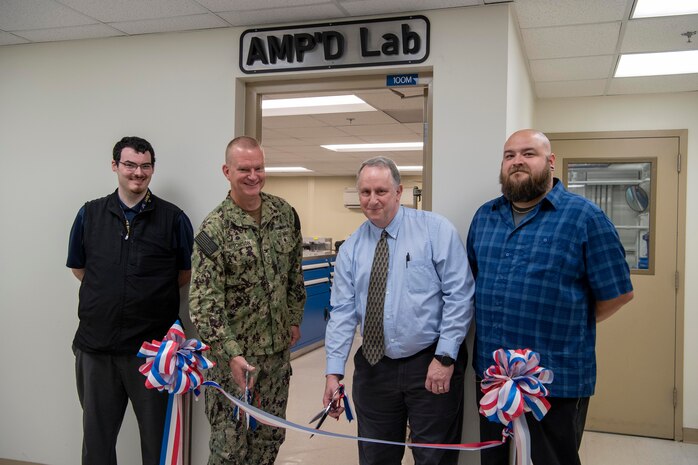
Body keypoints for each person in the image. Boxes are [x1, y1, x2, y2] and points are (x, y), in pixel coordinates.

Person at [466, 129, 634, 465]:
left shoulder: (584, 218)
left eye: (528, 153)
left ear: (551, 162)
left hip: (555, 379)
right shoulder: (485, 218)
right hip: (493, 377)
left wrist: (574, 322)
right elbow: (474, 282)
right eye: (510, 155)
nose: (517, 162)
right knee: (494, 459)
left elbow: (618, 293)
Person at [323, 156, 475, 465]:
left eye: (381, 191)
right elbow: (341, 313)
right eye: (365, 192)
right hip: (375, 367)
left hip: (430, 364)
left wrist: (445, 357)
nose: (372, 200)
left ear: (399, 191)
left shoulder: (435, 231)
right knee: (376, 456)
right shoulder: (351, 248)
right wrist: (333, 373)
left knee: (434, 458)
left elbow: (459, 295)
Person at [67, 136, 194, 465]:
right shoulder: (89, 214)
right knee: (97, 443)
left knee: (157, 445)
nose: (138, 172)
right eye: (130, 165)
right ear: (115, 166)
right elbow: (80, 269)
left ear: (152, 169)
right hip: (97, 350)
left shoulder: (173, 219)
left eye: (145, 166)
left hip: (152, 354)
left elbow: (183, 274)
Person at [189, 136, 306, 465]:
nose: (253, 175)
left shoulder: (284, 214)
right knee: (230, 447)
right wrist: (232, 352)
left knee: (269, 439)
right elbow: (204, 303)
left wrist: (294, 318)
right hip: (233, 361)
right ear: (227, 171)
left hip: (276, 357)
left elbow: (293, 276)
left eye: (259, 168)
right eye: (244, 169)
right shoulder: (214, 229)